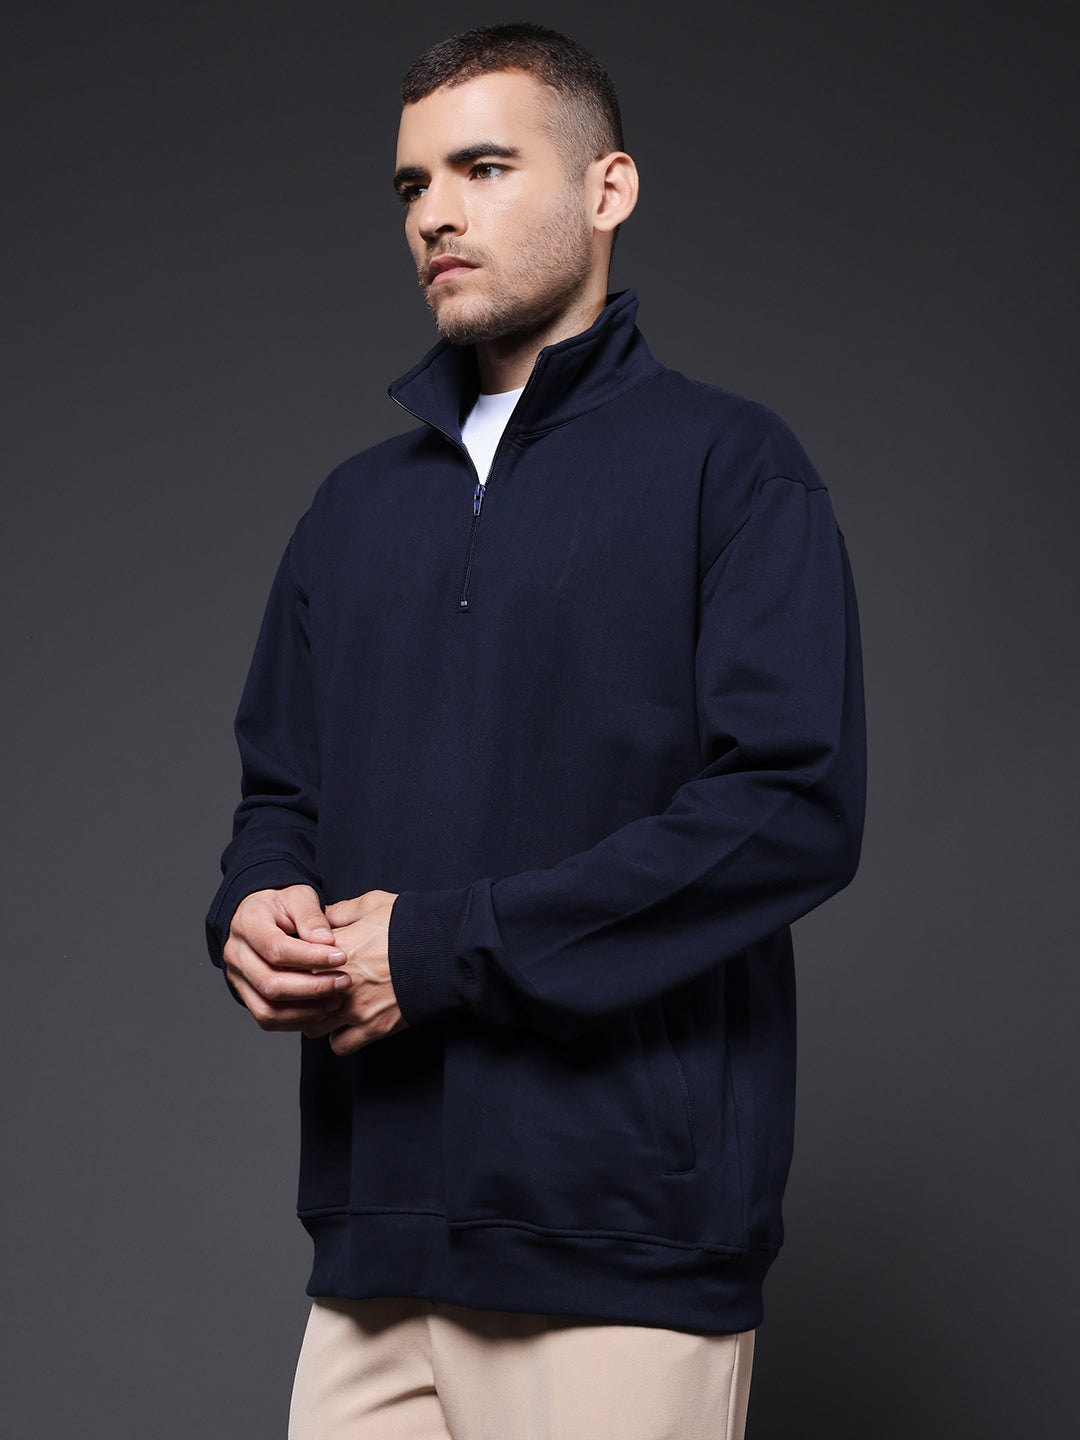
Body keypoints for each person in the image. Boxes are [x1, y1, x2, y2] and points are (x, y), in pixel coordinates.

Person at [206, 22, 866, 1440]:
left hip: (623, 1244)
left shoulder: (732, 467)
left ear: (608, 188)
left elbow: (790, 808)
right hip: (374, 1244)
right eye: (412, 184)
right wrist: (253, 903)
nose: (435, 214)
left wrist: (440, 951)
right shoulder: (351, 510)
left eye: (485, 168)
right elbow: (280, 794)